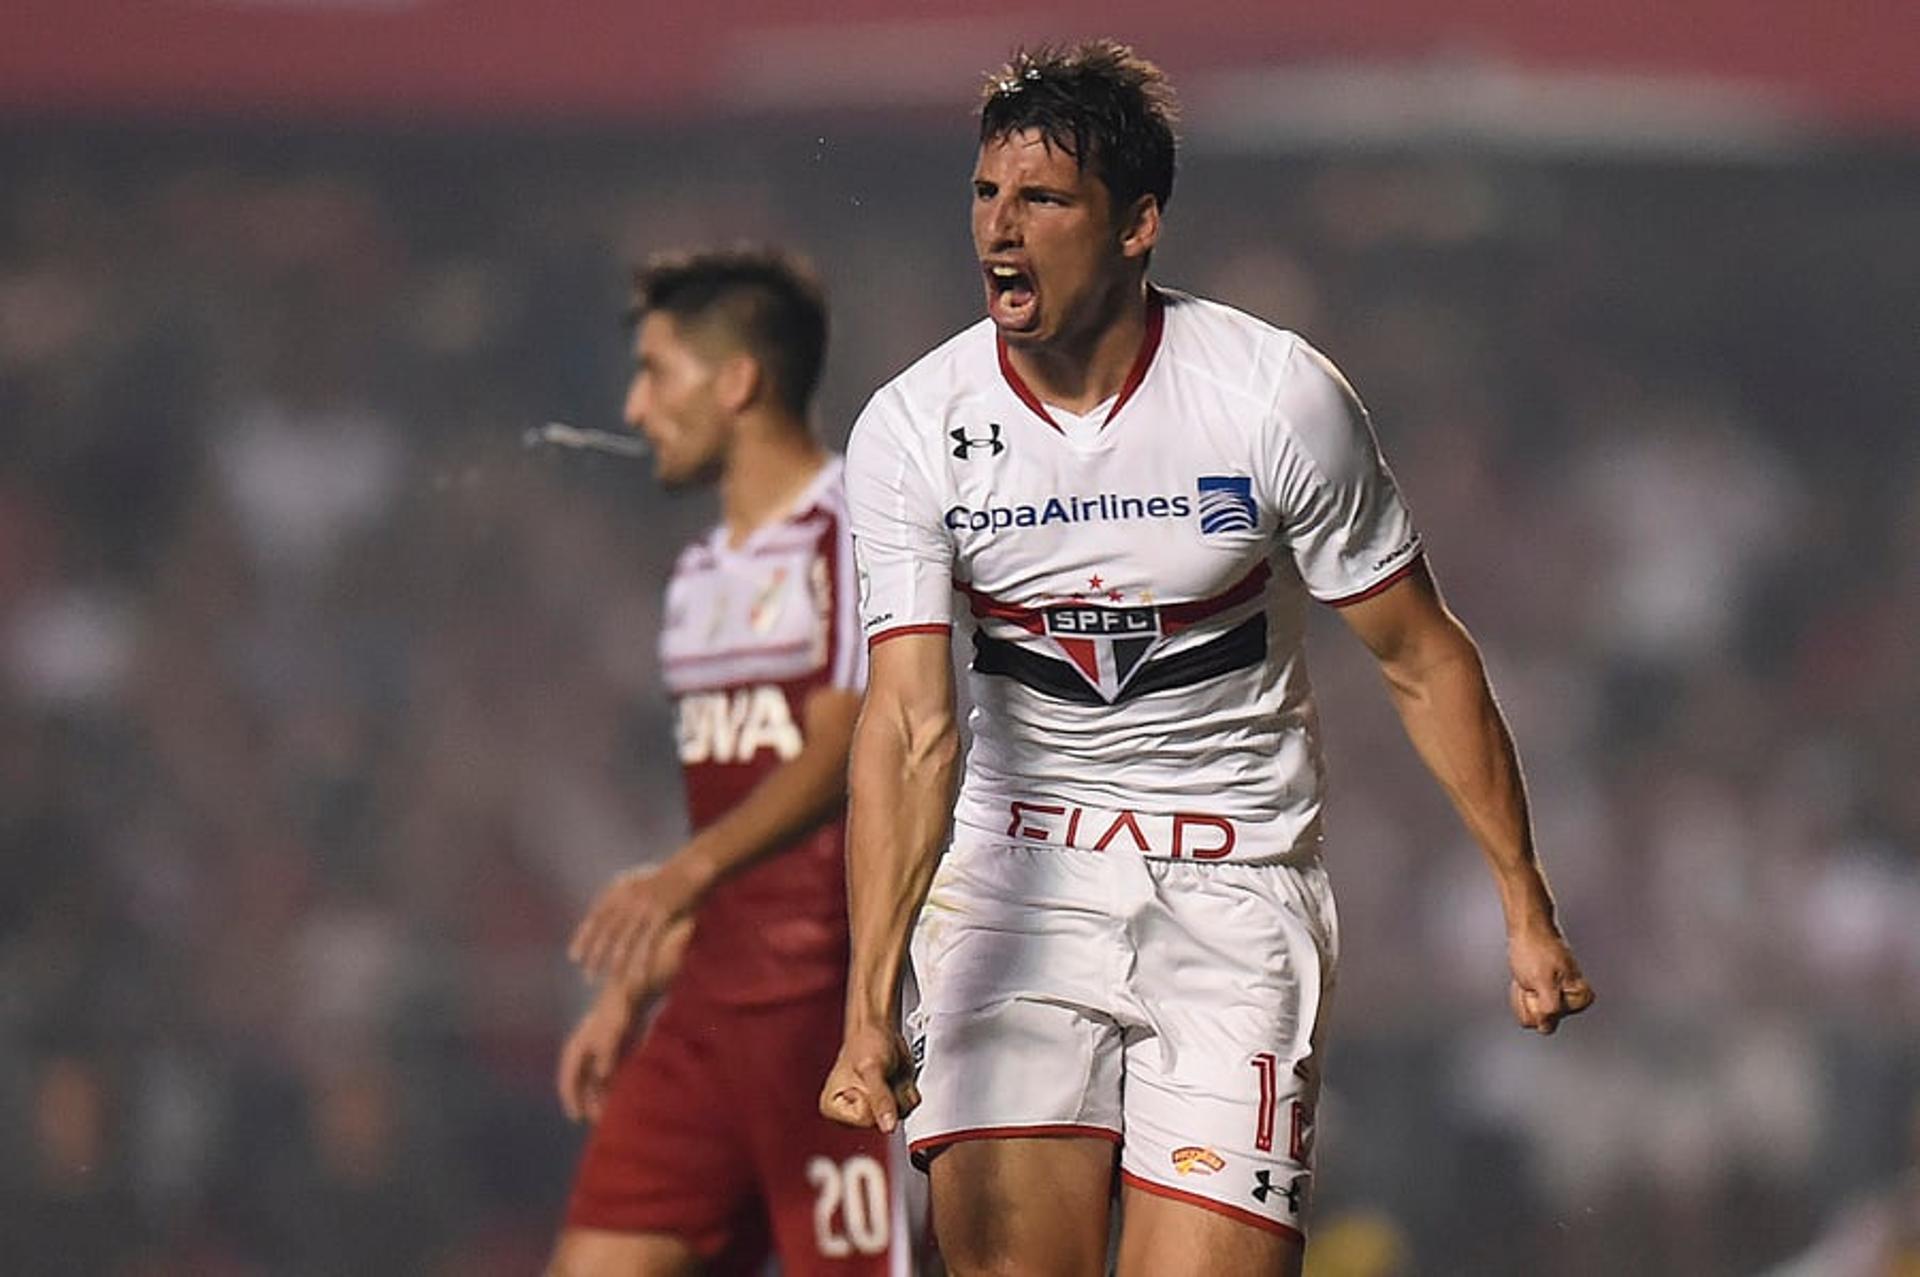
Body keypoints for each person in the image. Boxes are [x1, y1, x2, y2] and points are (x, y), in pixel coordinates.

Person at [818, 41, 1593, 1277]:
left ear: (1138, 225)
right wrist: (867, 1000)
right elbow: (912, 726)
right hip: (1018, 883)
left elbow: (1418, 655)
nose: (1000, 231)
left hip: (1234, 890)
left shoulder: (1275, 398)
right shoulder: (916, 426)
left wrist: (1524, 904)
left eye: (1043, 200)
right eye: (985, 195)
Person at [551, 249, 912, 1277]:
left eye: (657, 371)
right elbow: (742, 830)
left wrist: (679, 878)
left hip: (835, 1013)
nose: (635, 405)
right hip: (709, 1017)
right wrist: (640, 983)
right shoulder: (696, 578)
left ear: (738, 380)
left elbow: (849, 745)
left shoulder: (857, 527)